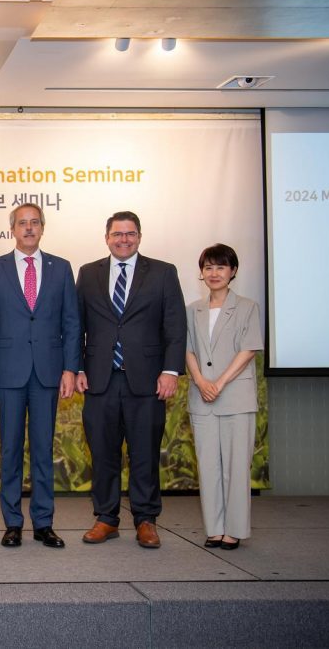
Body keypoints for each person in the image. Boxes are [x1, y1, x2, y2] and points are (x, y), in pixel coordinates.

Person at [75, 211, 186, 549]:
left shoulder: (163, 273)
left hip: (148, 381)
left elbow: (175, 326)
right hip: (100, 380)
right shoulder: (89, 273)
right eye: (117, 234)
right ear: (106, 237)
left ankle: (146, 520)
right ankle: (106, 518)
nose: (123, 239)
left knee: (145, 454)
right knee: (102, 453)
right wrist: (78, 368)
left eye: (130, 234)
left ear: (139, 236)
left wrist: (170, 371)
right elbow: (76, 325)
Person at [0, 204, 80, 549]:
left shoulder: (61, 268)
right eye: (22, 223)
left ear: (42, 228)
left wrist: (70, 368)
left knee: (42, 450)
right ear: (12, 229)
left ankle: (43, 523)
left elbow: (71, 322)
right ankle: (12, 523)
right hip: (8, 373)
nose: (28, 228)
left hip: (48, 373)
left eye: (34, 222)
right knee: (10, 450)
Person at [185, 244, 262, 550]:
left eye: (220, 267)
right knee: (208, 466)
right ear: (201, 273)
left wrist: (219, 383)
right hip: (201, 396)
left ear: (233, 271)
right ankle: (215, 528)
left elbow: (249, 349)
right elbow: (187, 349)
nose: (214, 273)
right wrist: (201, 381)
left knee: (236, 466)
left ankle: (235, 530)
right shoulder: (192, 310)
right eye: (208, 267)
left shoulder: (247, 307)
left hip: (235, 396)